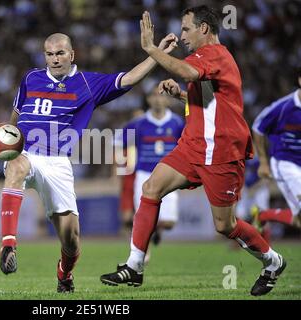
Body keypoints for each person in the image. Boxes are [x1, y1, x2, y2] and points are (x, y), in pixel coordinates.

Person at [100, 6, 286, 296]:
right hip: (193, 146)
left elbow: (186, 70)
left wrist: (150, 48)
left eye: (186, 29)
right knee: (150, 188)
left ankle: (272, 261)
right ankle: (134, 265)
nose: (182, 35)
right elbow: (214, 102)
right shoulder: (207, 60)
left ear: (204, 29)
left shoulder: (214, 55)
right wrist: (181, 96)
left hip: (221, 151)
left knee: (225, 225)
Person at [0, 32, 179, 293]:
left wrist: (156, 53)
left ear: (72, 55)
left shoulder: (87, 83)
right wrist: (8, 142)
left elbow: (129, 78)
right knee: (16, 167)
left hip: (58, 163)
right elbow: (15, 115)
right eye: (49, 54)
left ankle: (65, 273)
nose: (54, 59)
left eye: (60, 53)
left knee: (71, 240)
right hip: (26, 152)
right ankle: (8, 244)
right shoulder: (30, 78)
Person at [117, 88, 184, 252]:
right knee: (142, 217)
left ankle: (155, 230)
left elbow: (185, 146)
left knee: (169, 222)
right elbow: (119, 142)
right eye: (154, 95)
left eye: (162, 95)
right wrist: (118, 167)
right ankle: (140, 254)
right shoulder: (138, 123)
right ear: (148, 99)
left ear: (169, 100)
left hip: (169, 173)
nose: (158, 99)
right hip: (144, 173)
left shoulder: (177, 123)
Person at [251, 67, 301, 230]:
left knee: (298, 220)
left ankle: (263, 215)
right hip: (286, 163)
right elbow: (258, 128)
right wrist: (264, 162)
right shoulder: (282, 107)